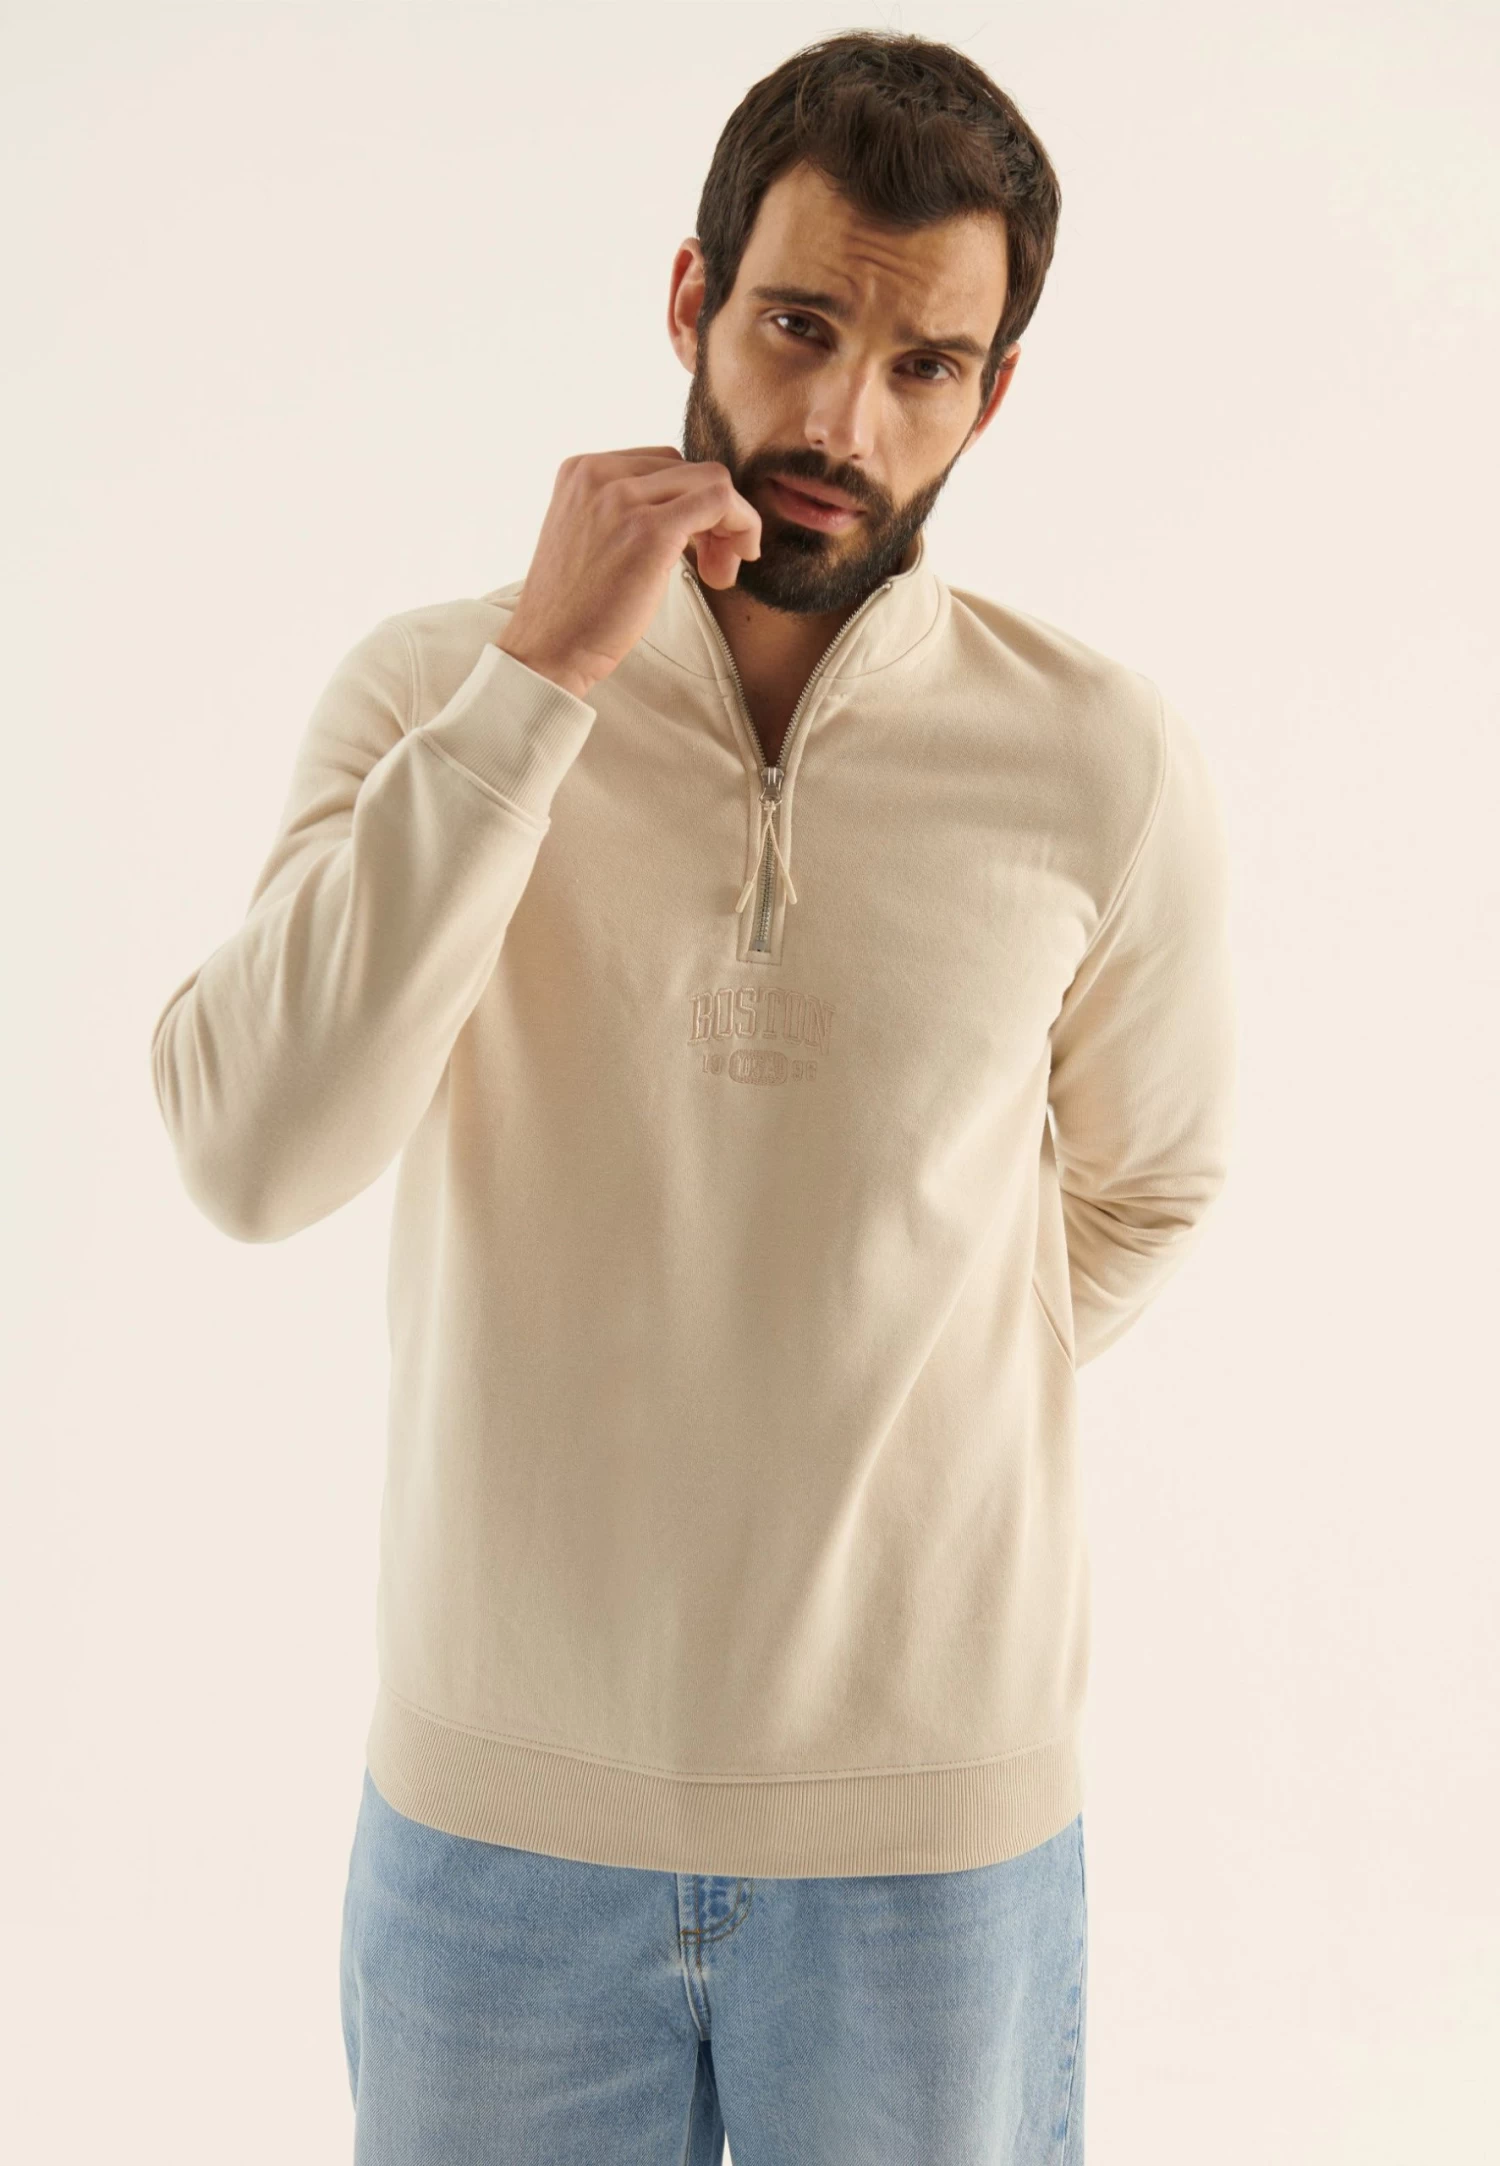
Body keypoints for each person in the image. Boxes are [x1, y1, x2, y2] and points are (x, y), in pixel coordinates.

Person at [149, 28, 1237, 2164]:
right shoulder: (434, 689)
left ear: (994, 393)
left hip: (931, 1849)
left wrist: (883, 1401)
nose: (842, 424)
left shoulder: (1098, 758)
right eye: (800, 326)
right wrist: (538, 684)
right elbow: (250, 1155)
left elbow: (1149, 1187)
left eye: (924, 366)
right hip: (494, 1829)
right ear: (692, 300)